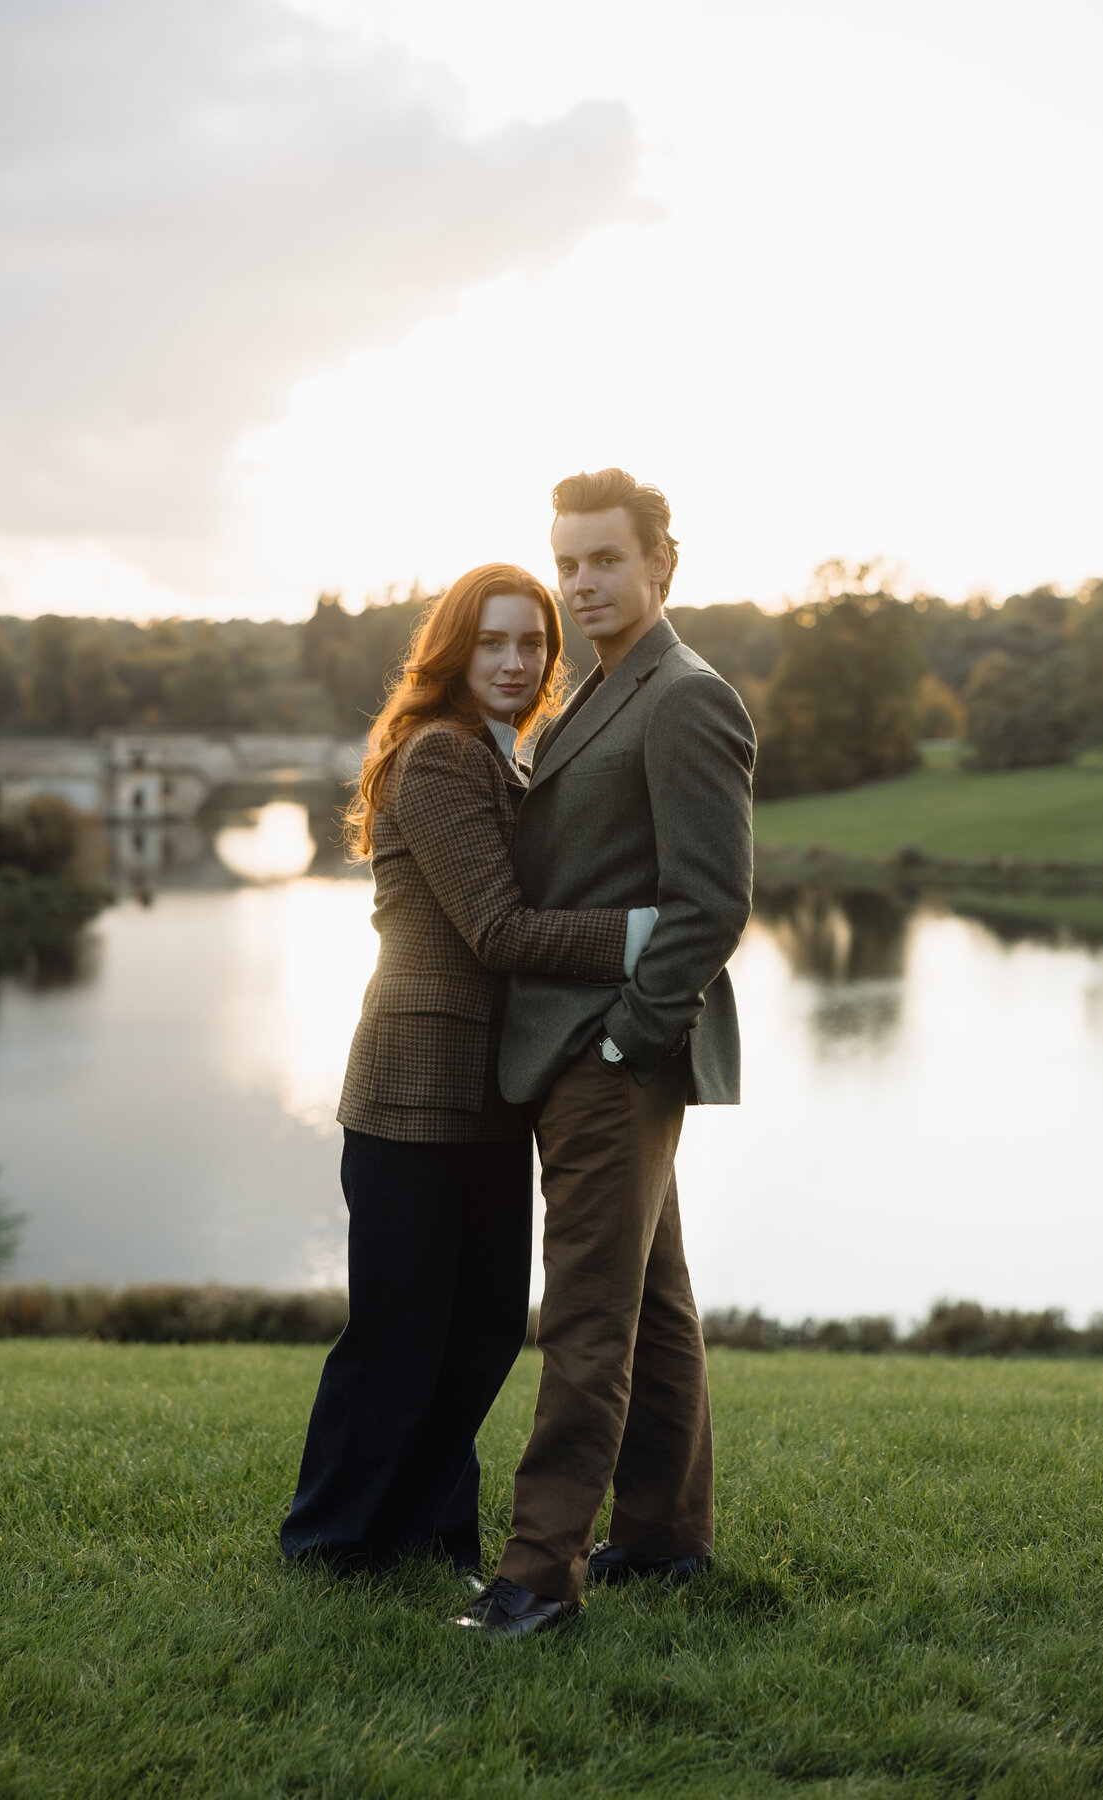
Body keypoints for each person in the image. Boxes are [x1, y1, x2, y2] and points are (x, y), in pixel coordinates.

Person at [280, 562, 656, 1574]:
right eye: (492, 641)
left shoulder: (507, 754)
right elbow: (498, 930)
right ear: (455, 650)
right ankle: (331, 1540)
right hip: (412, 1090)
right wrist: (647, 936)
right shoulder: (441, 755)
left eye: (530, 643)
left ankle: (432, 1534)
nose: (515, 660)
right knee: (400, 1337)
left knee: (481, 1330)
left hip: (491, 1093)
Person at [458, 471, 756, 1638]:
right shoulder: (594, 693)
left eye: (603, 561)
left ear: (660, 568)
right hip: (598, 1051)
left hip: (611, 1055)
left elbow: (711, 903)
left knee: (585, 1314)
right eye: (566, 560)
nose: (579, 582)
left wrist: (631, 1038)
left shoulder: (685, 698)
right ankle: (667, 1539)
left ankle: (539, 1575)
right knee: (655, 1299)